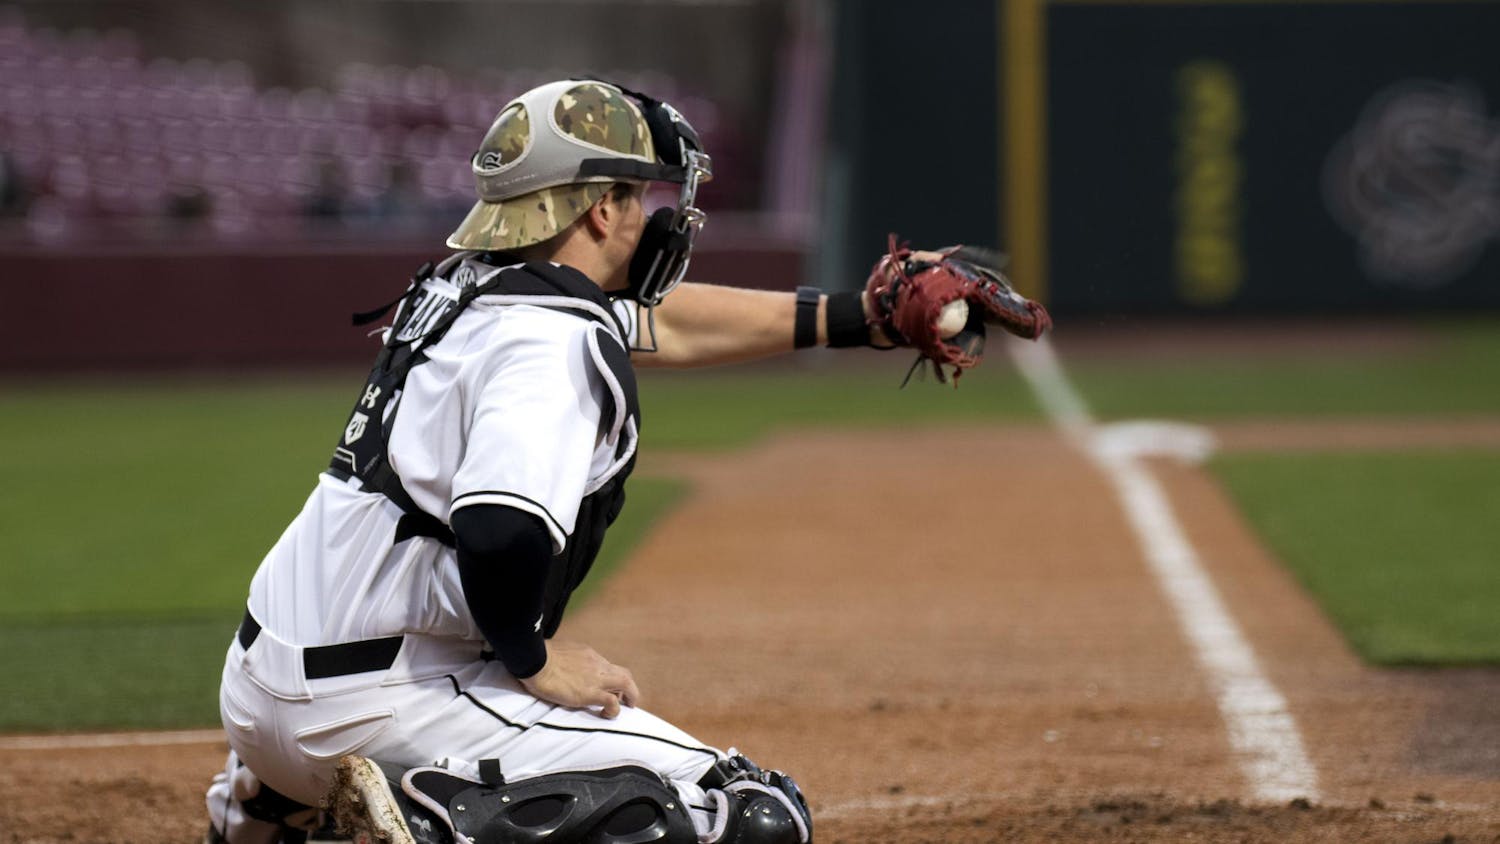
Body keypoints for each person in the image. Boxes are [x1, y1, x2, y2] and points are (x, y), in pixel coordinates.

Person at [204, 79, 930, 844]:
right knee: (749, 817)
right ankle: (436, 827)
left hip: (261, 694)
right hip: (384, 701)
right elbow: (500, 528)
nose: (657, 219)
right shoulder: (550, 340)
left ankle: (261, 806)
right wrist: (533, 656)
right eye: (642, 197)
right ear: (601, 209)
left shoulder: (467, 284)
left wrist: (862, 318)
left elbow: (667, 324)